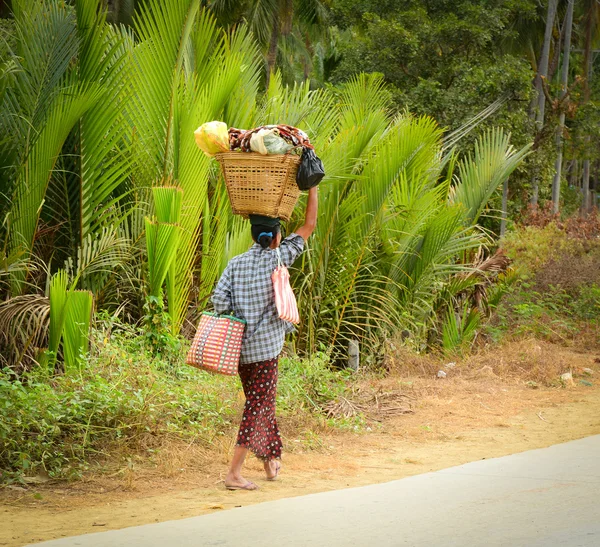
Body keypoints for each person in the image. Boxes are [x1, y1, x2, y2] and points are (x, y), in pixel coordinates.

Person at [212, 187, 319, 491]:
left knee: (262, 404)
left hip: (242, 353)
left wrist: (242, 318)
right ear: (275, 238)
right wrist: (313, 187)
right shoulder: (279, 258)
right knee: (258, 408)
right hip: (267, 351)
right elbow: (308, 225)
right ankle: (233, 473)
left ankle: (271, 461)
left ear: (253, 236)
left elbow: (219, 301)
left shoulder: (235, 264)